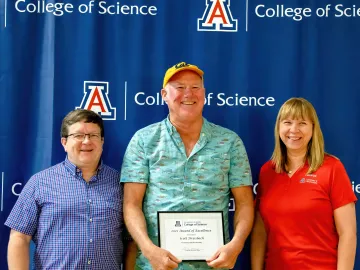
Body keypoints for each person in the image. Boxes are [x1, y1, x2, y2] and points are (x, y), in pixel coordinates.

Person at [120, 62, 254, 269]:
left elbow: (245, 203)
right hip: (155, 265)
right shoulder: (144, 140)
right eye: (180, 88)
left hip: (213, 266)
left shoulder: (229, 142)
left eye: (195, 87)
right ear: (164, 94)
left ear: (204, 93)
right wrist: (148, 250)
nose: (188, 94)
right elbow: (131, 204)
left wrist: (236, 246)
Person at [5, 109, 134, 270]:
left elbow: (131, 241)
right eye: (78, 135)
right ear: (64, 142)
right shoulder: (40, 183)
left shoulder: (121, 184)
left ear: (102, 141)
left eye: (93, 135)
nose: (86, 141)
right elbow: (19, 237)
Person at [251, 97, 357, 270]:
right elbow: (260, 230)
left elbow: (348, 233)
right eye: (287, 122)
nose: (294, 129)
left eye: (302, 123)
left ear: (313, 128)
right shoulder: (267, 171)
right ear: (278, 127)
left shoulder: (332, 168)